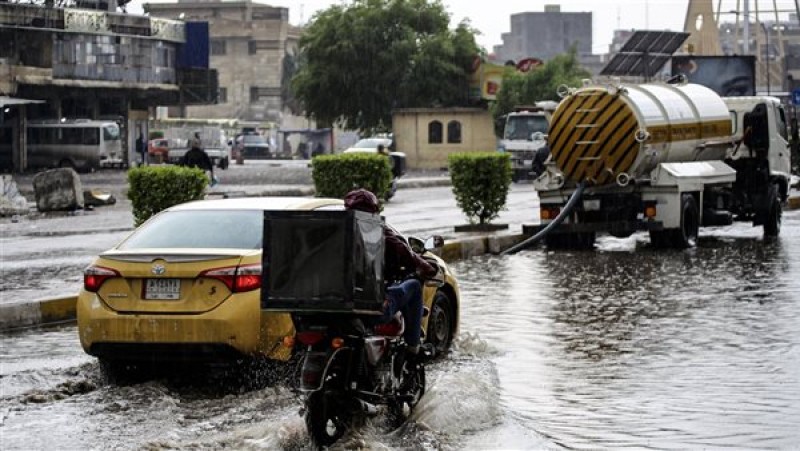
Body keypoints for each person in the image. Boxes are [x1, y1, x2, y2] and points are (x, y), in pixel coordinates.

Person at [344, 189, 437, 359]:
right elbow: (403, 251)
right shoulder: (374, 229)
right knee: (415, 286)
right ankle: (413, 347)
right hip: (368, 307)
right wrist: (425, 267)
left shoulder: (333, 231)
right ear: (373, 211)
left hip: (327, 308)